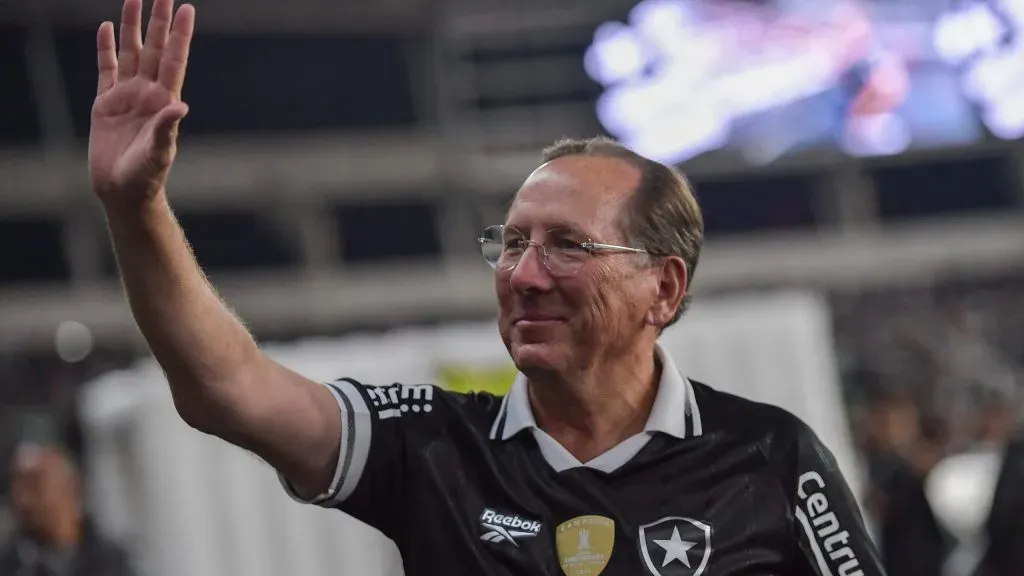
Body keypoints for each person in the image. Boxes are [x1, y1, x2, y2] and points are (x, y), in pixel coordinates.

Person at [87, 0, 886, 574]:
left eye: (568, 247)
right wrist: (137, 207)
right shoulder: (433, 446)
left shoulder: (773, 458)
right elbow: (227, 389)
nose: (525, 275)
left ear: (663, 289)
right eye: (511, 245)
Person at [0, 444, 136, 576]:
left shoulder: (113, 562)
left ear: (70, 489)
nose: (23, 499)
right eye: (16, 487)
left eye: (34, 484)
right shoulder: (13, 566)